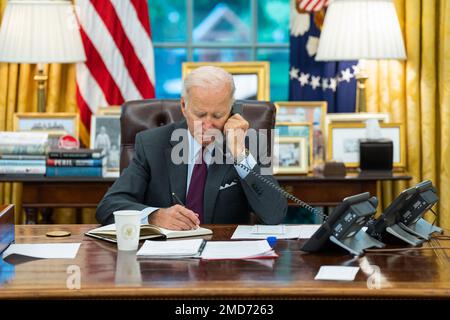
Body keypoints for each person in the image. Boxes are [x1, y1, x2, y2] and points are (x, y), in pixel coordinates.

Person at [96, 66, 287, 230]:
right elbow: (109, 206)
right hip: (166, 259)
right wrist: (153, 216)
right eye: (200, 114)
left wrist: (239, 154)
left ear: (232, 110)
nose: (207, 125)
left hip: (226, 260)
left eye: (218, 115)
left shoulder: (249, 144)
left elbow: (274, 215)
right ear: (183, 106)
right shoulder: (152, 145)